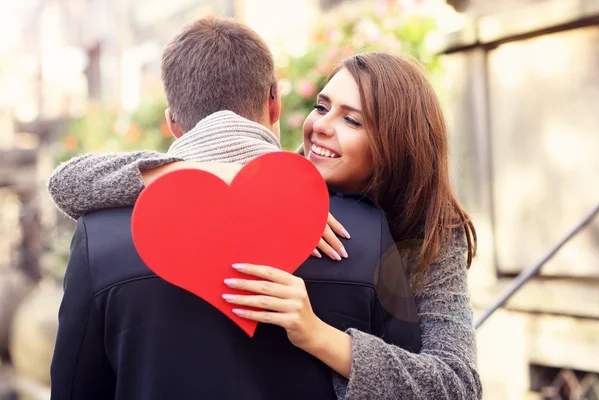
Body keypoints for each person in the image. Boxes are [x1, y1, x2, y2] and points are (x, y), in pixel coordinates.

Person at [49, 47, 482, 400]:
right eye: (322, 106)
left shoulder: (435, 236)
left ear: (399, 141)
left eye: (351, 119)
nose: (318, 127)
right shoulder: (281, 186)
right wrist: (213, 171)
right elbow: (69, 182)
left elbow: (457, 385)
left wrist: (318, 334)